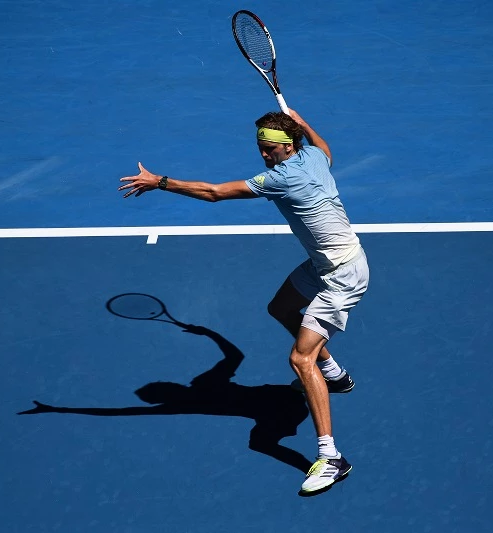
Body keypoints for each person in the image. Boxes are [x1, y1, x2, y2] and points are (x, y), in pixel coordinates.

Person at [118, 109, 370, 494]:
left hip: (341, 276)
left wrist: (160, 182)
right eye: (260, 150)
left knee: (300, 359)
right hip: (328, 262)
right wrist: (208, 336)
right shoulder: (314, 158)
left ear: (288, 147)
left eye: (269, 150)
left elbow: (215, 193)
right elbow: (324, 146)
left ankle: (331, 457)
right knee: (281, 308)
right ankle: (333, 375)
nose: (264, 157)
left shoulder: (284, 178)